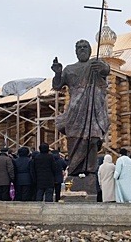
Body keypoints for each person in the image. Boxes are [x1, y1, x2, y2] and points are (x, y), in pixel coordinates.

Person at [51, 40, 110, 176]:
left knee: (93, 139)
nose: (82, 49)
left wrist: (103, 66)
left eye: (85, 47)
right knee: (74, 138)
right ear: (76, 51)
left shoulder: (95, 64)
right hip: (75, 110)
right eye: (79, 48)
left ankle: (90, 170)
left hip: (93, 110)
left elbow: (106, 70)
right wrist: (58, 73)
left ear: (90, 51)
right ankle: (75, 170)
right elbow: (57, 86)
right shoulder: (70, 69)